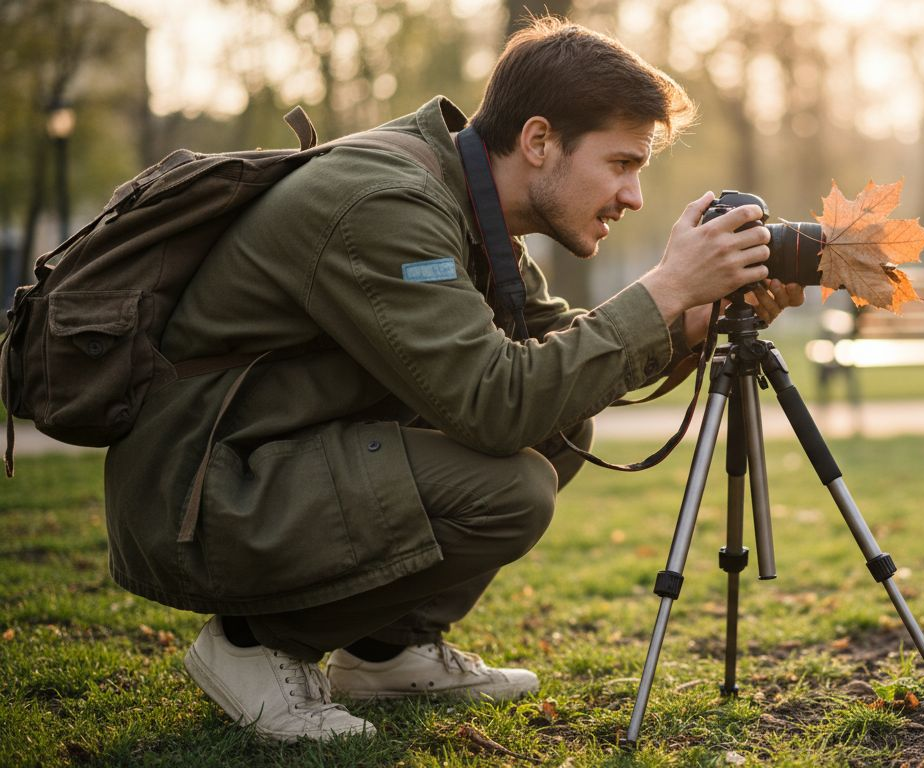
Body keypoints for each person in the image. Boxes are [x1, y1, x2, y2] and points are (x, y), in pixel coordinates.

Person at [102, 17, 805, 742]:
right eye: (622, 164)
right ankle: (255, 643)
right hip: (202, 489)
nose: (632, 197)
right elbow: (495, 404)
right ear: (538, 141)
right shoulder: (388, 204)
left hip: (272, 458)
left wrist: (687, 320)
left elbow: (548, 349)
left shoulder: (470, 202)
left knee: (565, 423)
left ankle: (386, 650)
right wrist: (662, 290)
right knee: (513, 488)